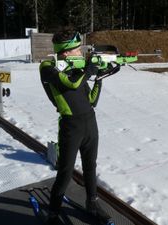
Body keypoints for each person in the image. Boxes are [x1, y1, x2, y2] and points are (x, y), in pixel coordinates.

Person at [39, 31, 109, 224]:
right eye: (77, 50)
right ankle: (53, 213)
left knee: (90, 167)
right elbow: (71, 83)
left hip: (90, 122)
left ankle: (92, 202)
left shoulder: (79, 70)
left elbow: (92, 101)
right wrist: (89, 70)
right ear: (66, 53)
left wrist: (99, 78)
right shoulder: (48, 67)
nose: (80, 53)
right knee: (65, 171)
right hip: (70, 126)